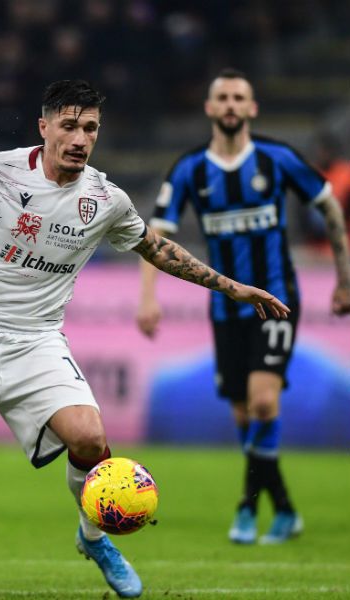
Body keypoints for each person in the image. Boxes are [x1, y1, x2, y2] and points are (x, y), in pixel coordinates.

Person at [0, 79, 290, 598]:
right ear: (45, 126)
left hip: (36, 339)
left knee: (88, 438)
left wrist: (232, 288)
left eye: (90, 128)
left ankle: (95, 538)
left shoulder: (105, 198)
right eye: (70, 125)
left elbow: (156, 247)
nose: (80, 138)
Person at [136, 69, 350, 545]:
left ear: (252, 108)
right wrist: (148, 297)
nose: (231, 104)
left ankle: (246, 508)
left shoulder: (277, 159)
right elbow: (155, 237)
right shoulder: (191, 168)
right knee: (243, 417)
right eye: (223, 98)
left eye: (239, 97)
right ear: (210, 108)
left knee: (262, 401)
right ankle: (287, 510)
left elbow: (330, 207)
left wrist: (343, 279)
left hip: (277, 301)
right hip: (225, 309)